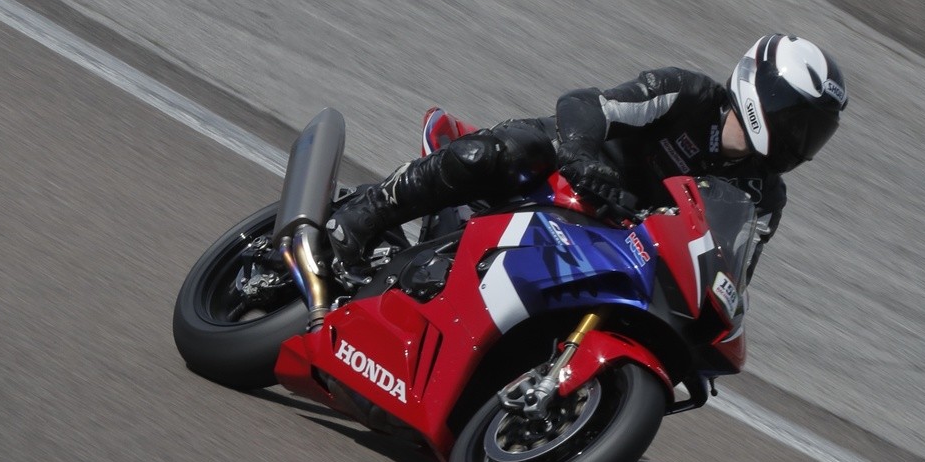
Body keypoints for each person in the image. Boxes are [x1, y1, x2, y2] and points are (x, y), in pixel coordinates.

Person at [325, 33, 847, 283]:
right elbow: (586, 104)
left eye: (813, 133)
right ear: (760, 91)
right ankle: (359, 218)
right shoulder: (687, 95)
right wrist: (581, 156)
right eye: (797, 121)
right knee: (500, 153)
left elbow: (732, 274)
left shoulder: (765, 196)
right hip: (561, 177)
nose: (799, 140)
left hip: (619, 243)